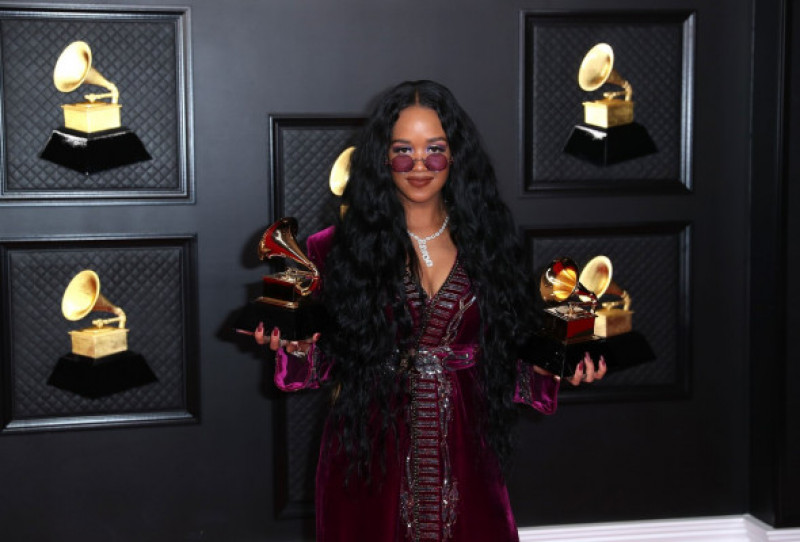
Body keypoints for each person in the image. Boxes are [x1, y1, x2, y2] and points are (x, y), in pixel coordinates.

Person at [254, 80, 606, 542]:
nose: (419, 165)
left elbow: (508, 356)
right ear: (382, 157)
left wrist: (559, 367)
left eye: (434, 149)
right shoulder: (333, 250)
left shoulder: (490, 245)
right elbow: (314, 368)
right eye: (403, 150)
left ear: (455, 154)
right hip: (367, 461)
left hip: (468, 456)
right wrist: (294, 346)